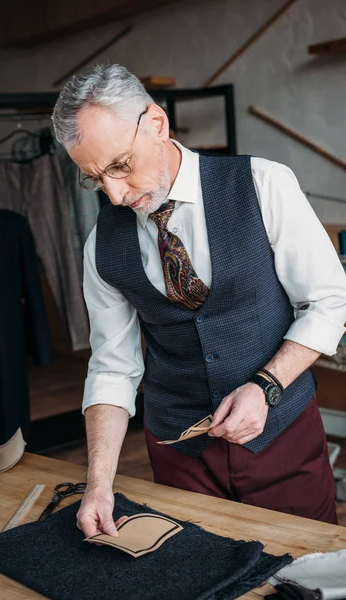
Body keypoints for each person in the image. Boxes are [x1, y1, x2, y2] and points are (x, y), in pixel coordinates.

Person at [51, 64, 346, 536]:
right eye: (94, 179)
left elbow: (331, 301)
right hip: (179, 458)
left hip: (283, 441)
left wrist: (267, 385)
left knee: (305, 575)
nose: (115, 193)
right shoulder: (100, 245)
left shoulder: (264, 184)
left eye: (120, 166)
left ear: (157, 124)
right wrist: (99, 484)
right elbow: (112, 367)